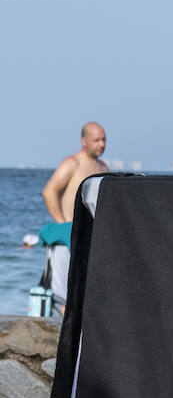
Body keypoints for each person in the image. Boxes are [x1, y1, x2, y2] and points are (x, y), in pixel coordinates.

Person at [40, 121, 109, 309]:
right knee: (63, 295)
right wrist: (63, 225)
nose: (101, 144)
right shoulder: (72, 163)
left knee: (86, 290)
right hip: (67, 238)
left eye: (104, 140)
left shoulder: (103, 167)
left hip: (89, 238)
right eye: (96, 140)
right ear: (84, 141)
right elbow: (49, 192)